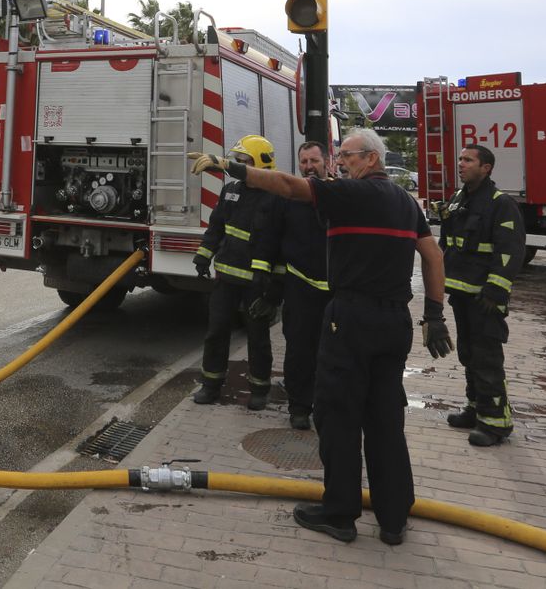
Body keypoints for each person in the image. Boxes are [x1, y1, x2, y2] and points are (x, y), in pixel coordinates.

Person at [191, 127, 451, 547]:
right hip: (394, 323)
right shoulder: (406, 202)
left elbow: (289, 186)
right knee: (386, 420)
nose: (339, 162)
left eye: (345, 155)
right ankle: (393, 519)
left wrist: (230, 167)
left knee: (339, 417)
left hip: (350, 319)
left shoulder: (350, 194)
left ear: (369, 158)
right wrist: (434, 316)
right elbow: (433, 255)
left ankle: (340, 515)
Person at [440, 145, 525, 446]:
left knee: (487, 358)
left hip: (486, 298)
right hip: (462, 294)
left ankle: (496, 424)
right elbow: (448, 244)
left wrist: (496, 289)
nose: (460, 164)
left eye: (468, 160)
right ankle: (475, 408)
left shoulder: (501, 204)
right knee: (468, 353)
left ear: (486, 167)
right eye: (460, 158)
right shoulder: (458, 199)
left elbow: (511, 250)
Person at [191, 134, 282, 411]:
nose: (238, 165)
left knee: (258, 337)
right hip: (226, 279)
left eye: (244, 161)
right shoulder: (231, 189)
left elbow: (278, 244)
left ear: (261, 164)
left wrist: (273, 288)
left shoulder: (276, 197)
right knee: (216, 332)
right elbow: (217, 226)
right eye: (237, 160)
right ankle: (211, 384)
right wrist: (203, 254)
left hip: (257, 283)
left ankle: (259, 389)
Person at [272, 140, 332, 431]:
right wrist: (271, 287)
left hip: (335, 291)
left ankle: (326, 406)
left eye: (314, 161)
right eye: (304, 161)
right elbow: (273, 241)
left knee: (332, 353)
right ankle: (298, 407)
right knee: (298, 350)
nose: (308, 166)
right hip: (299, 287)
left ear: (327, 162)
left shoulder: (339, 196)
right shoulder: (289, 198)